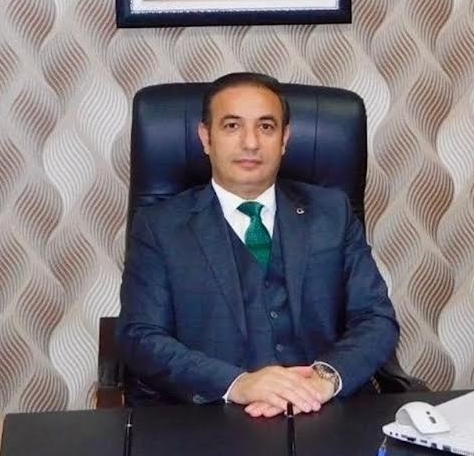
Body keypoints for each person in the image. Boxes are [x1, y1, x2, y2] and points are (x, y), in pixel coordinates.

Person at [116, 72, 399, 417]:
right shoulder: (159, 226)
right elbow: (141, 336)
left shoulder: (332, 212)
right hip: (213, 419)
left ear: (284, 139)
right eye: (232, 126)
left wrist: (325, 380)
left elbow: (376, 318)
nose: (250, 143)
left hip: (323, 411)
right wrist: (236, 384)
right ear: (206, 138)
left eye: (266, 127)